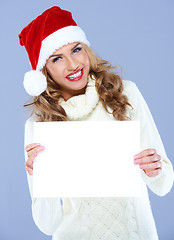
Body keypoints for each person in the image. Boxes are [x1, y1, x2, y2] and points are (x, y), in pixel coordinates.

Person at [19, 6, 174, 240]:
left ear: (86, 50)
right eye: (57, 58)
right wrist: (38, 177)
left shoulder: (126, 94)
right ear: (44, 70)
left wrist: (155, 169)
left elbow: (163, 186)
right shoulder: (38, 124)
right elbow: (48, 225)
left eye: (76, 49)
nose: (72, 65)